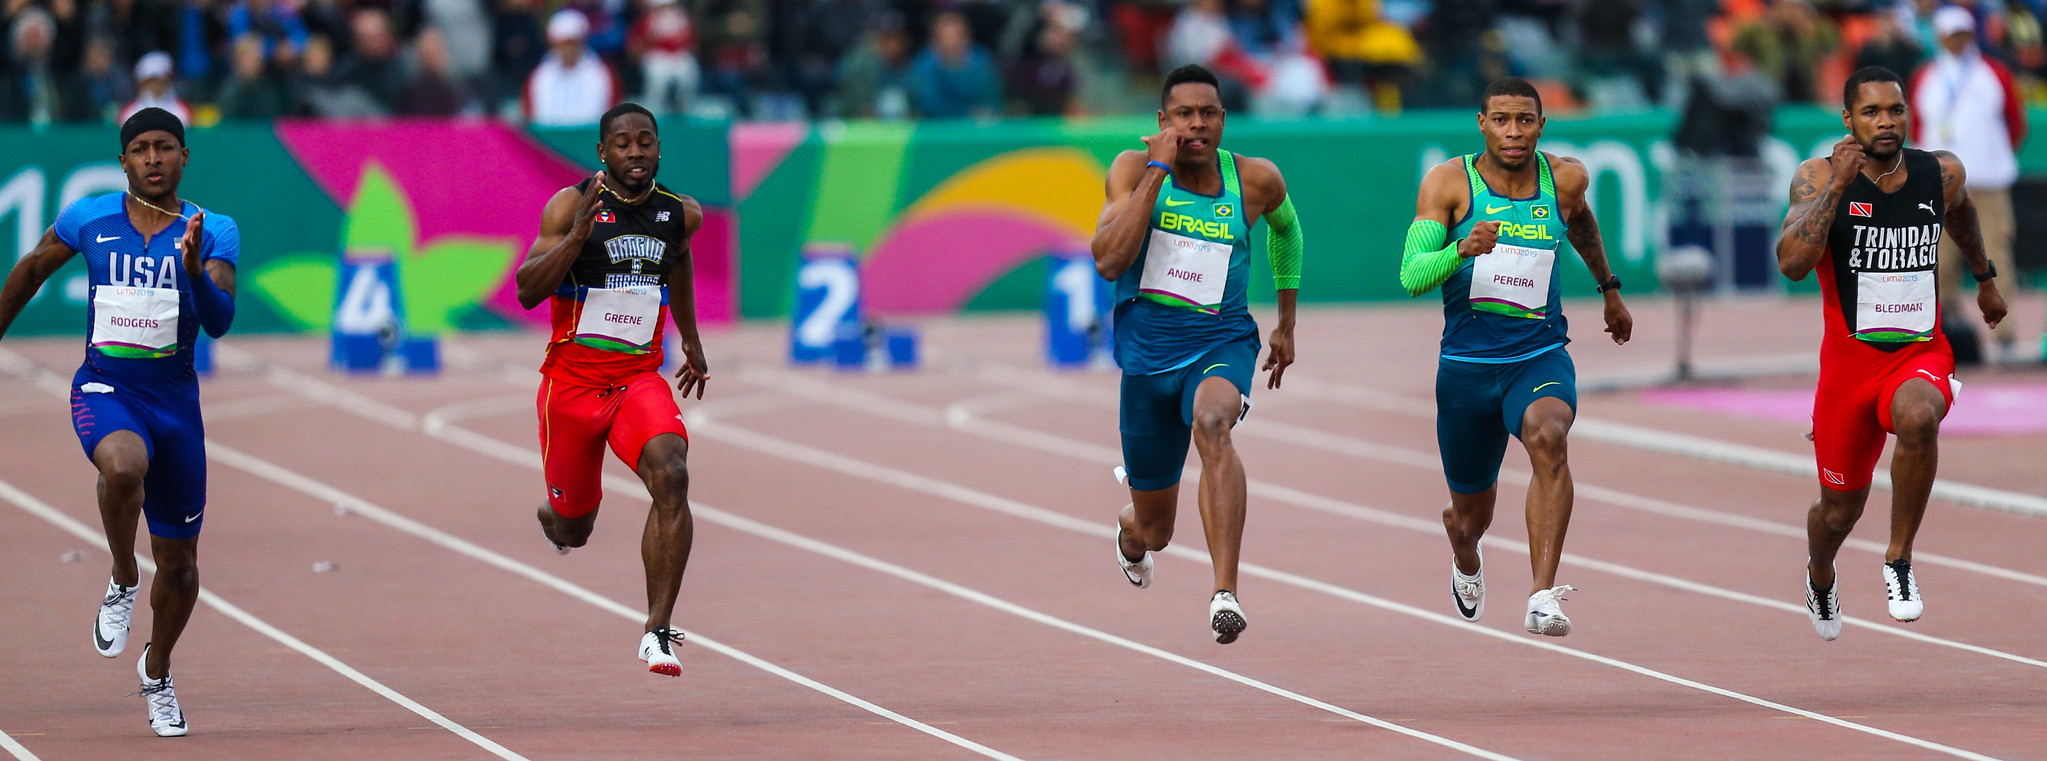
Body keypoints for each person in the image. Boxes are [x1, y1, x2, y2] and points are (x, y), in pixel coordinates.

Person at [0, 108, 239, 736]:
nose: (153, 158)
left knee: (183, 565)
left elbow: (219, 320)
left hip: (176, 406)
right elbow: (30, 270)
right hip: (107, 388)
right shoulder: (89, 217)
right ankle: (124, 574)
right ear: (124, 162)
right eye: (140, 149)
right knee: (124, 464)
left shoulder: (213, 231)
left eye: (165, 147)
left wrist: (192, 273)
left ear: (185, 158)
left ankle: (157, 671)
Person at [1776, 67, 2007, 640]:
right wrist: (1836, 187)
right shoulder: (1817, 176)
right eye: (1872, 113)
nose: (1886, 122)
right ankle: (1820, 571)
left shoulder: (1940, 171)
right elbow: (1792, 264)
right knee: (1838, 512)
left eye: (1895, 111)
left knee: (1919, 416)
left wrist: (1984, 279)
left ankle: (1898, 560)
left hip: (1918, 351)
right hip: (1849, 368)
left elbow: (1965, 214)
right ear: (1848, 120)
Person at [1399, 77, 1634, 637]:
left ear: (1541, 126)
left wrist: (1609, 288)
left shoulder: (1566, 177)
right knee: (1471, 516)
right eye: (1501, 120)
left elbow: (1579, 221)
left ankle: (1542, 594)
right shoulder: (1449, 183)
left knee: (1549, 436)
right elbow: (1410, 275)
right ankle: (1463, 551)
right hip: (1466, 371)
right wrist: (1461, 248)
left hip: (1539, 353)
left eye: (1524, 120)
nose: (1512, 132)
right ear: (1481, 123)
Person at [1093, 64, 1303, 645]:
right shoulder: (1134, 170)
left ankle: (1224, 593)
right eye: (1183, 114)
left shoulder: (1255, 181)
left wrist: (1285, 320)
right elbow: (1109, 260)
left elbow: (1288, 231)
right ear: (1162, 122)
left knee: (1214, 422)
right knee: (1155, 530)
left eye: (1208, 113)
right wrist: (1157, 171)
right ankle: (1129, 530)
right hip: (1147, 361)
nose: (1197, 124)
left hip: (1221, 342)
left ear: (1223, 120)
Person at [514, 102, 710, 676]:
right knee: (574, 528)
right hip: (571, 386)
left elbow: (679, 263)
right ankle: (555, 517)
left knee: (671, 473)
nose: (635, 153)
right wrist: (575, 238)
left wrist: (691, 340)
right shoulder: (570, 206)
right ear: (602, 152)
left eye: (645, 142)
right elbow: (527, 289)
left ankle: (657, 631)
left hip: (636, 379)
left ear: (658, 149)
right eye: (622, 144)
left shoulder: (679, 213)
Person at [1910, 7, 2028, 363]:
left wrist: (1989, 158)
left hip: (1987, 183)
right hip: (1939, 187)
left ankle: (2004, 335)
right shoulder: (1925, 76)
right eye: (1952, 35)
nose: (1959, 41)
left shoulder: (1996, 74)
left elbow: (2014, 124)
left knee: (1996, 257)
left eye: (1964, 34)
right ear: (1941, 38)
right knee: (1936, 262)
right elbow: (1915, 126)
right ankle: (1943, 334)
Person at [525, 10, 620, 126]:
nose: (568, 50)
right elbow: (531, 116)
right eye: (563, 44)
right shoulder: (539, 78)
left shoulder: (603, 75)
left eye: (572, 44)